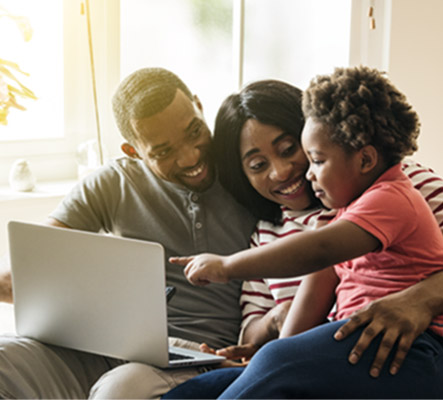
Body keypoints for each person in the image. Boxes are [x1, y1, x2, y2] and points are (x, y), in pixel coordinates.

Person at [169, 66, 443, 398]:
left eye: (308, 157)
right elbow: (317, 280)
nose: (294, 173)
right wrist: (268, 361)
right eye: (257, 165)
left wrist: (227, 266)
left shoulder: (394, 196)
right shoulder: (344, 214)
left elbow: (317, 250)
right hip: (352, 349)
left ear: (366, 159)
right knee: (197, 391)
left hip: (411, 350)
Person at [0, 67, 257, 399]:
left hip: (194, 356)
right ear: (133, 150)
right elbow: (27, 272)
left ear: (198, 105)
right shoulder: (114, 183)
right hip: (98, 346)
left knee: (119, 391)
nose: (191, 156)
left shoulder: (250, 172)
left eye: (194, 131)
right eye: (163, 151)